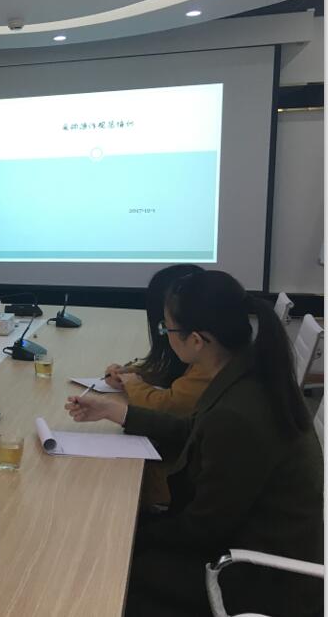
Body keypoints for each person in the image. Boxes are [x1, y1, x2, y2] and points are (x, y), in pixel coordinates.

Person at [66, 271, 323, 617]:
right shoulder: (246, 371)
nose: (164, 335)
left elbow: (202, 530)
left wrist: (125, 532)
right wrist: (117, 412)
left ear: (197, 341)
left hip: (260, 580)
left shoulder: (238, 413)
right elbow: (194, 429)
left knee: (106, 569)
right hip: (254, 541)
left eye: (167, 329)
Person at [104, 264, 210, 504]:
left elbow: (168, 407)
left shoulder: (209, 366)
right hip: (189, 469)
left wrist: (132, 386)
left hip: (183, 486)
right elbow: (174, 374)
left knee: (109, 479)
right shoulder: (212, 352)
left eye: (165, 326)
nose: (162, 332)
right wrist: (133, 374)